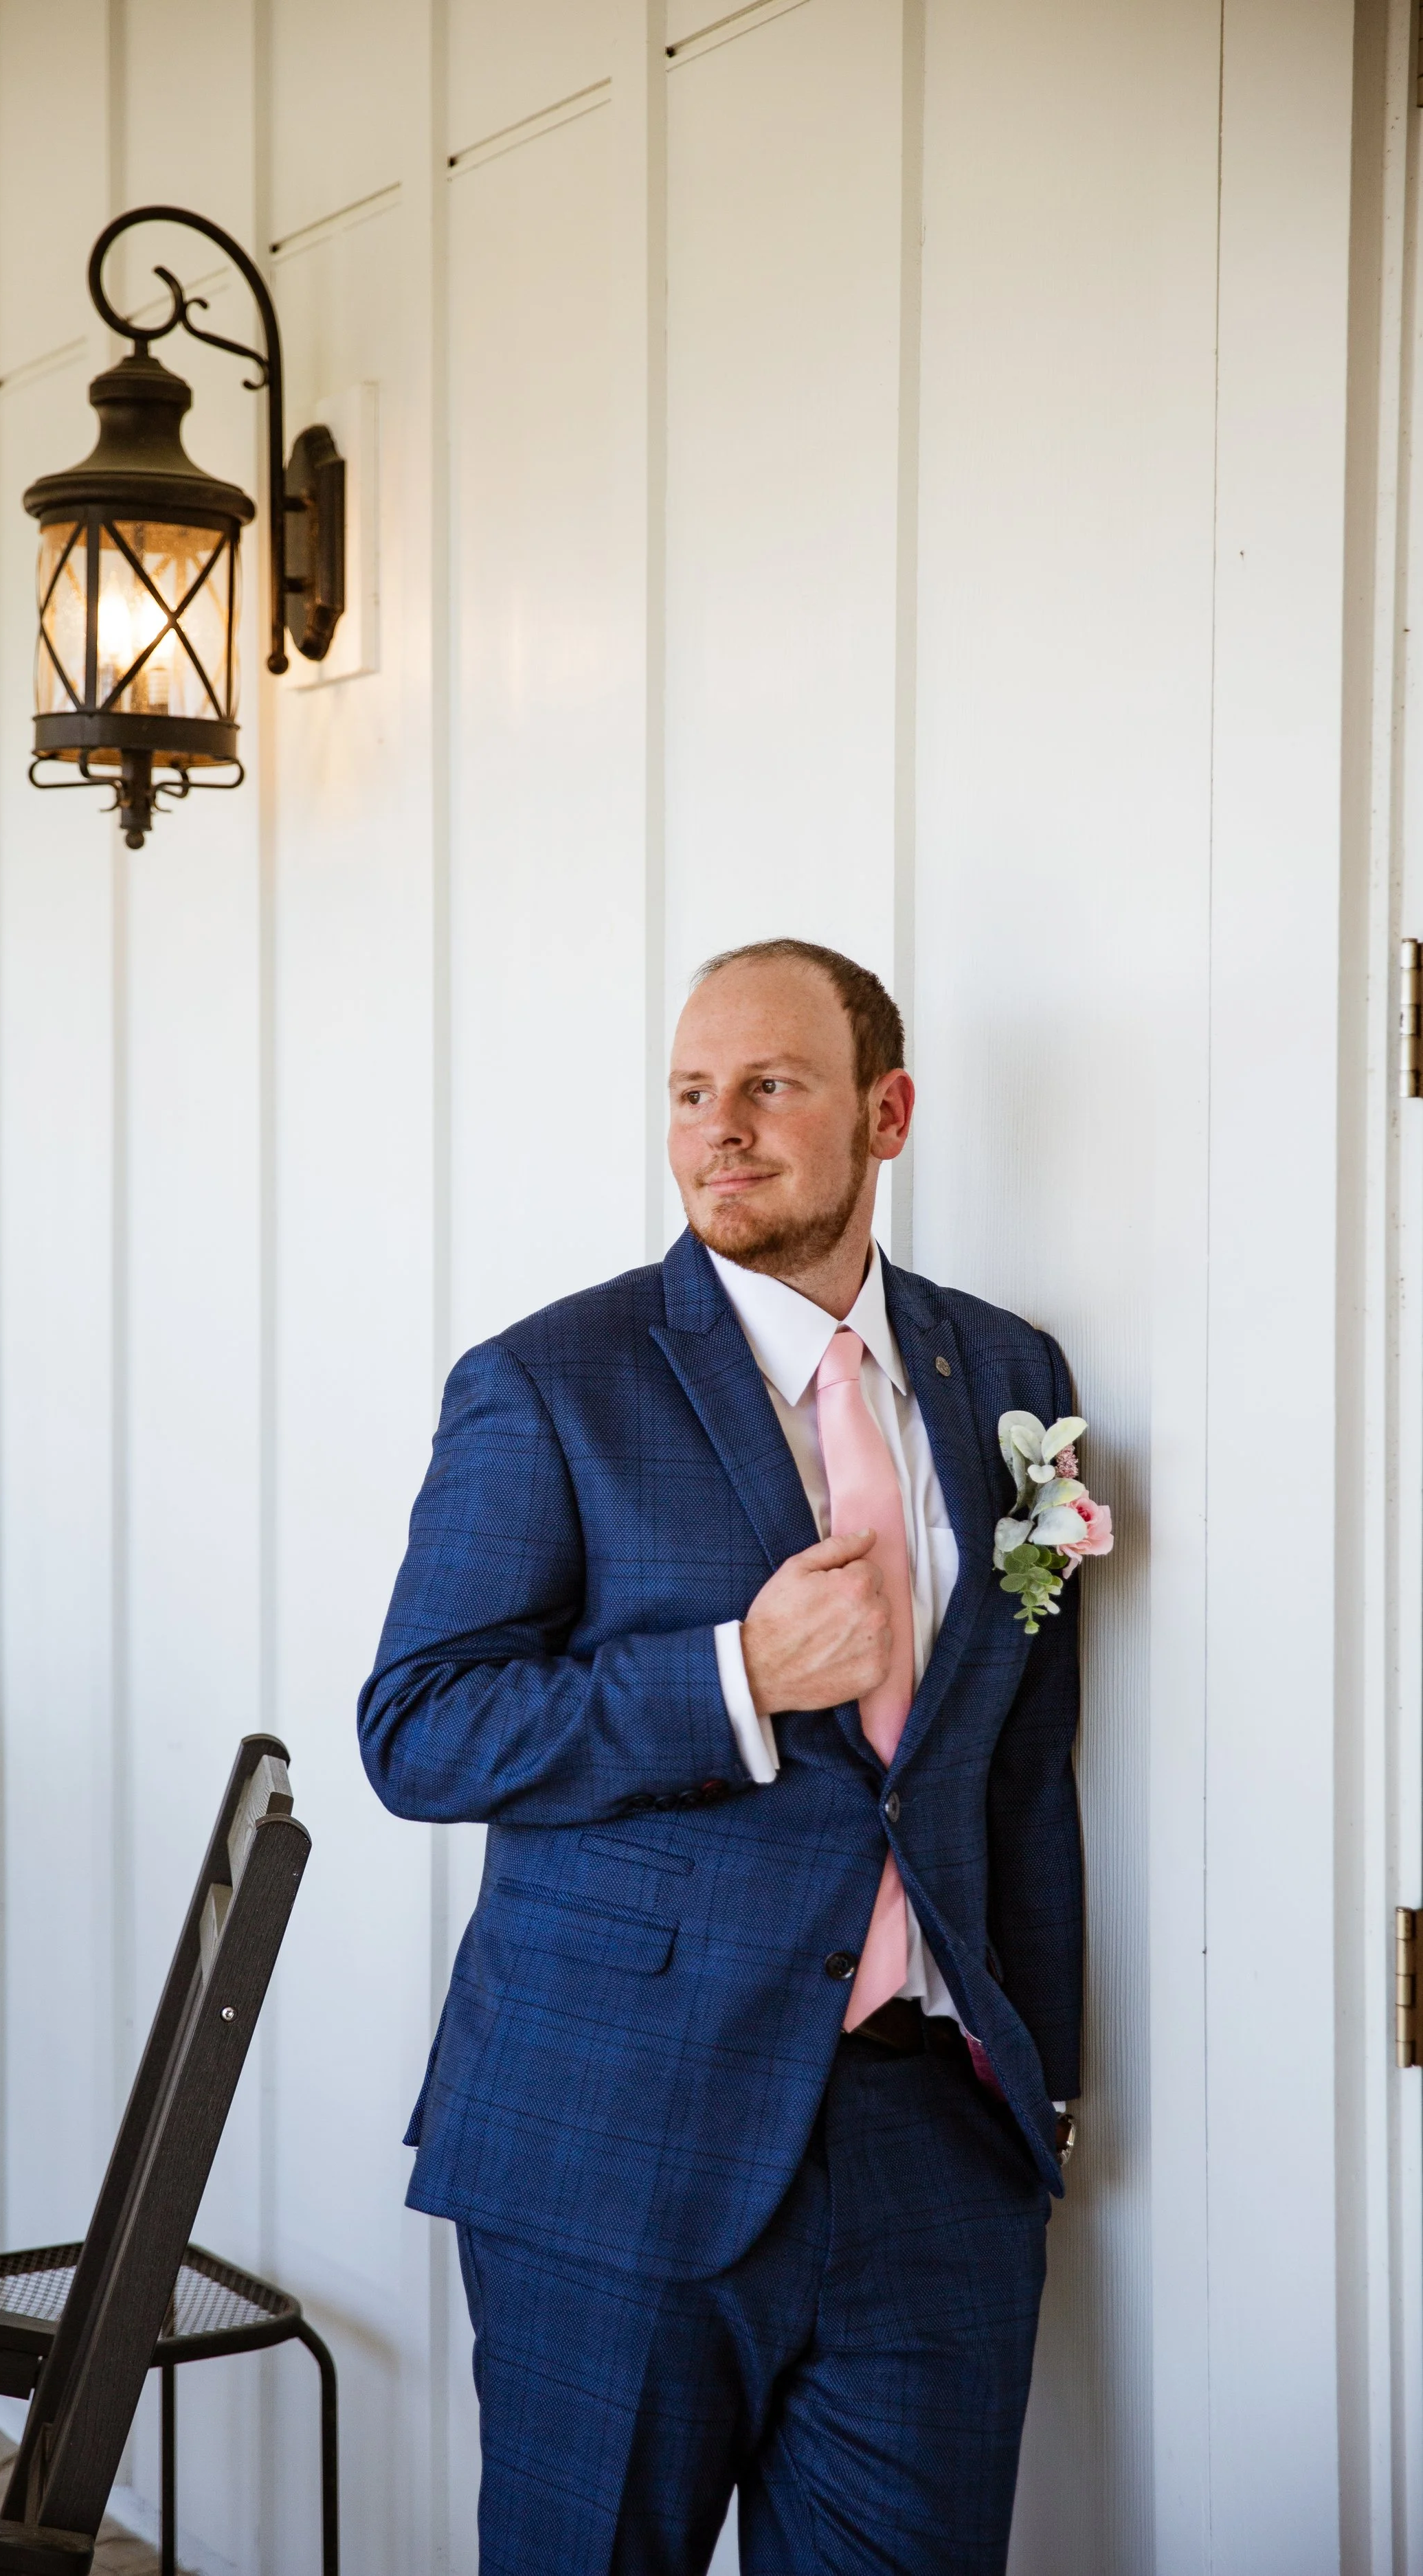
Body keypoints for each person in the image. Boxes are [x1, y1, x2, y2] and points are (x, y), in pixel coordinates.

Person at [359, 939, 1083, 2575]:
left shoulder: (1009, 1377)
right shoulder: (549, 1383)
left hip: (933, 2156)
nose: (719, 1131)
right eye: (691, 1093)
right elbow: (416, 1727)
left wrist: (1043, 2088)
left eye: (770, 1086)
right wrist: (735, 1674)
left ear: (883, 1113)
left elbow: (1019, 1770)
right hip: (613, 2145)